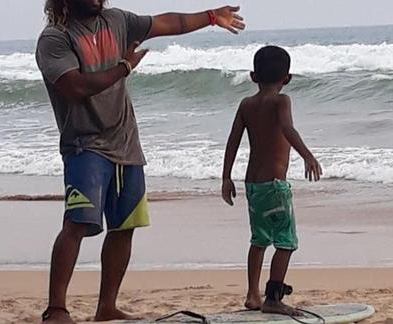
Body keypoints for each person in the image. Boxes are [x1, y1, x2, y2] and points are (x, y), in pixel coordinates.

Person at [35, 1, 245, 323]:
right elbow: (75, 87)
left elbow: (168, 23)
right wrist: (124, 67)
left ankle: (106, 307)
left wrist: (211, 17)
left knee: (125, 226)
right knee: (77, 224)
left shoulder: (117, 20)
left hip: (126, 142)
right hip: (84, 145)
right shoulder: (55, 38)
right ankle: (57, 309)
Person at [221, 45, 323, 315]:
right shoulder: (282, 100)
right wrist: (308, 156)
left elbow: (233, 141)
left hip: (252, 185)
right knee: (286, 242)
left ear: (253, 76)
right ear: (287, 78)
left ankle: (253, 294)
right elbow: (288, 128)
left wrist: (225, 177)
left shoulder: (246, 104)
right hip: (275, 187)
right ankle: (274, 297)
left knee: (259, 240)